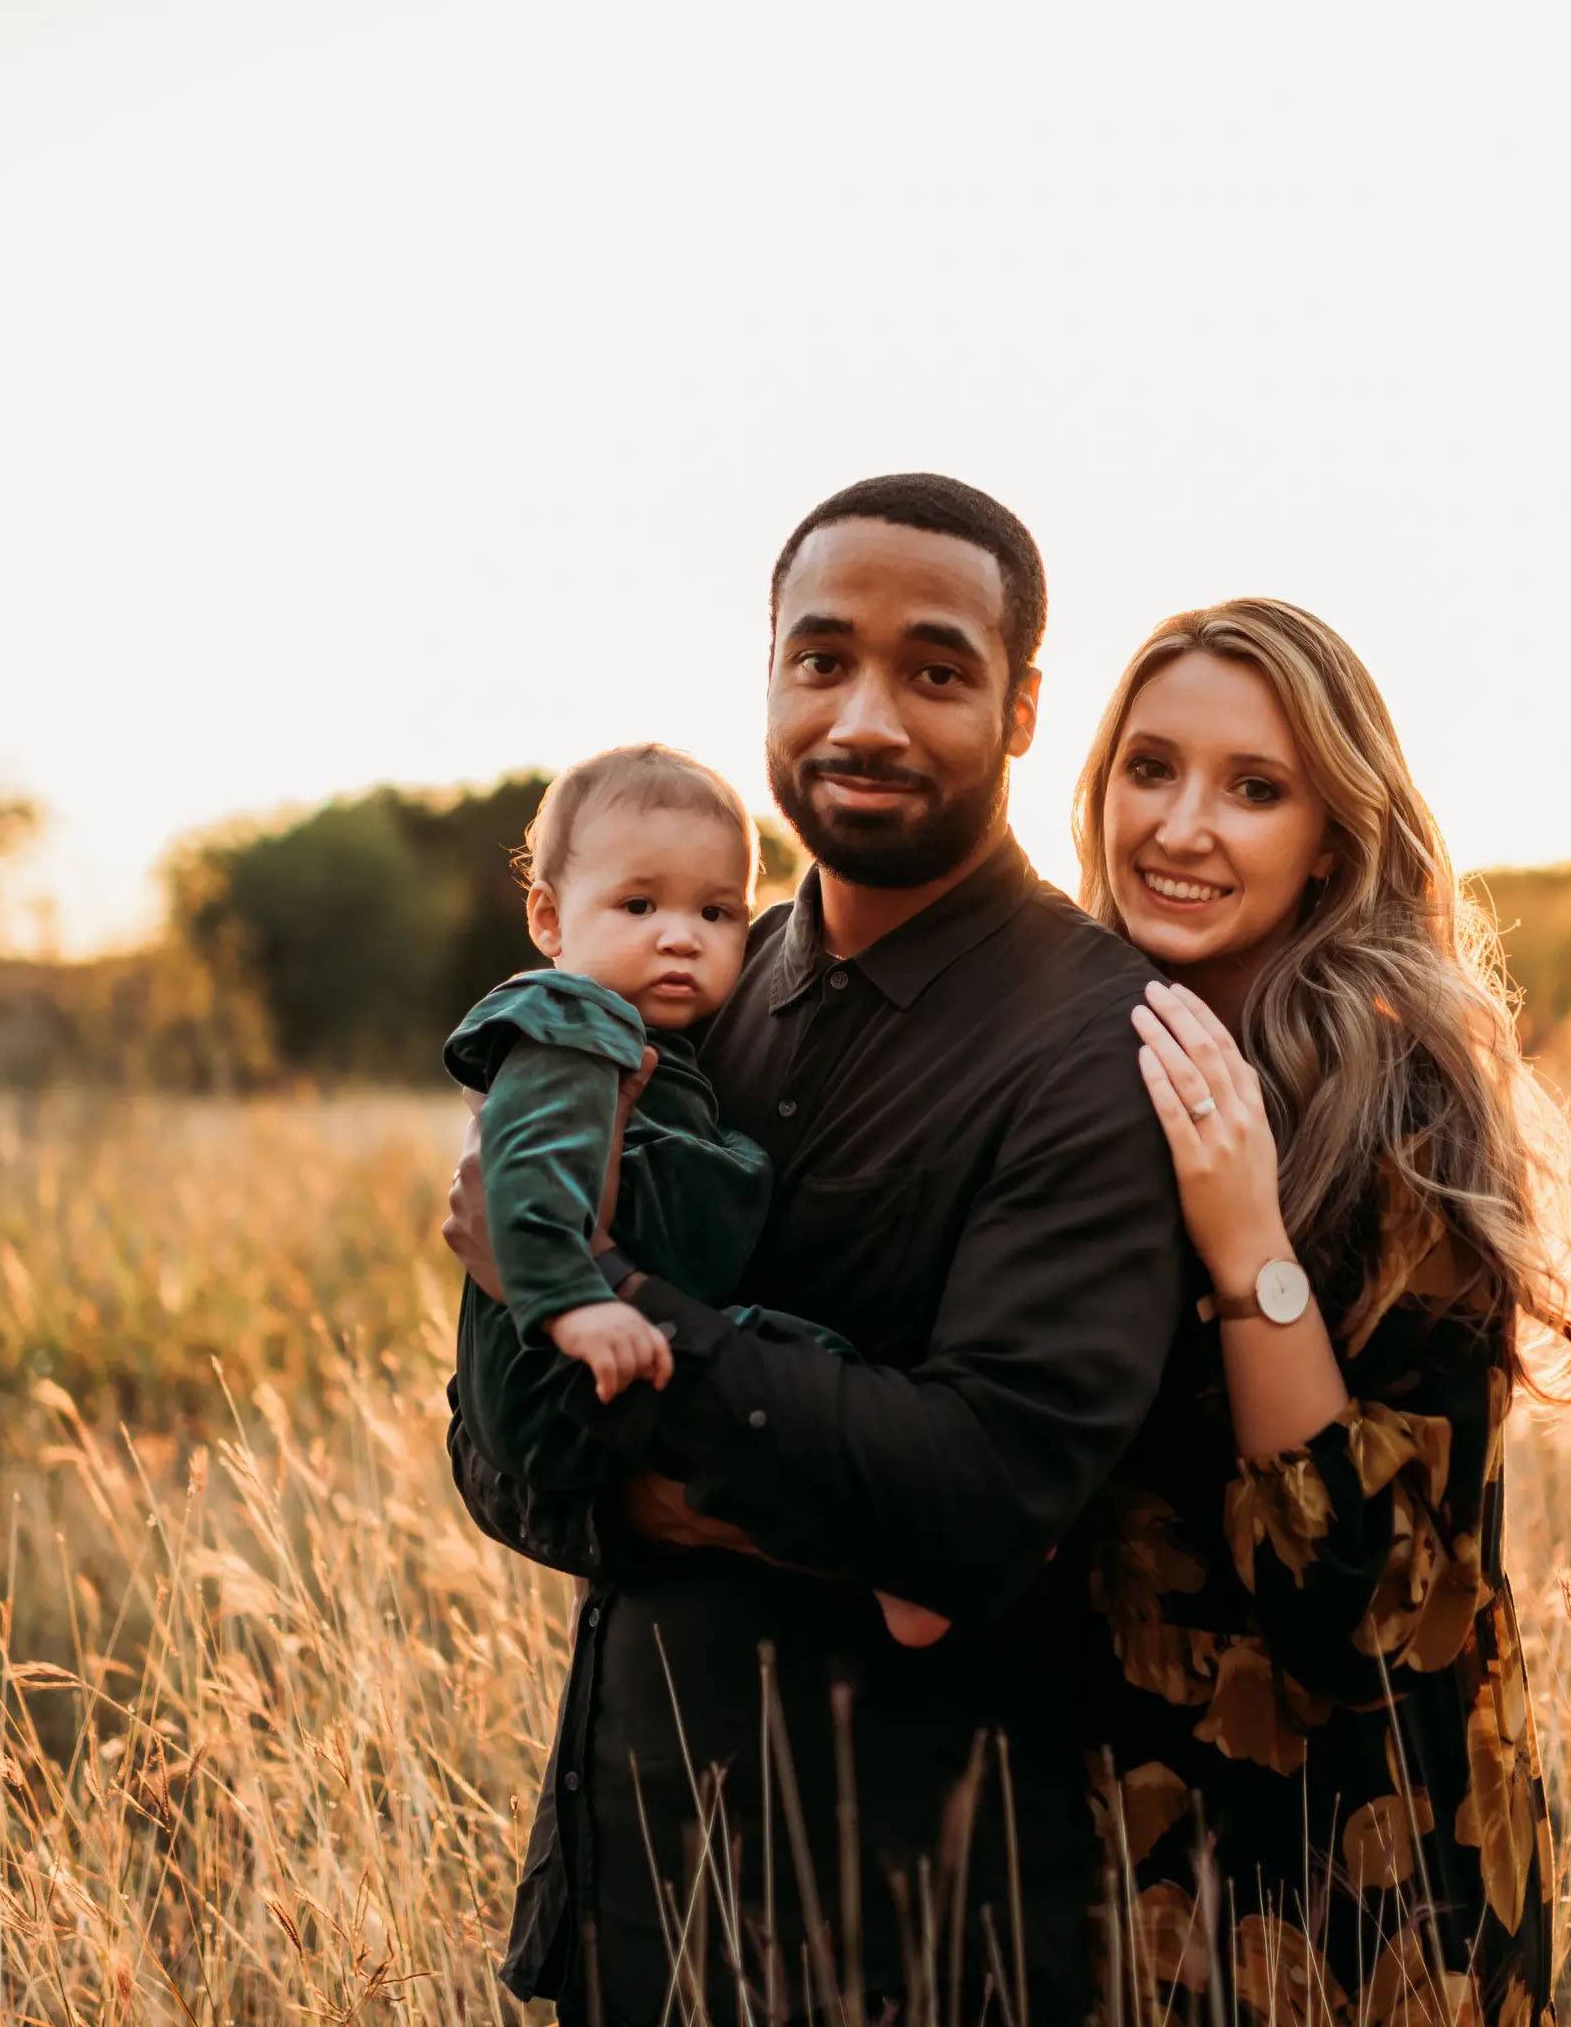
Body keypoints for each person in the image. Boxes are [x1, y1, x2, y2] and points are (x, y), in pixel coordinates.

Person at [441, 473, 1189, 2023]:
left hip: (917, 1929)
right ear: (771, 670)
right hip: (638, 1880)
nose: (867, 718)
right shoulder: (687, 991)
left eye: (934, 671)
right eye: (821, 659)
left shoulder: (1094, 1044)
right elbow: (493, 1446)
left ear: (1024, 709)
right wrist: (665, 1497)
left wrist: (621, 1327)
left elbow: (978, 1499)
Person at [1075, 599, 1571, 2024]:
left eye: (1254, 788)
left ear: (1333, 836)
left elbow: (1369, 1615)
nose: (1183, 825)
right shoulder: (1063, 1052)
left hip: (1367, 1877)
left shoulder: (1404, 1109)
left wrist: (1246, 1234)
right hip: (1116, 1864)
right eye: (1151, 769)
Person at [440, 739, 943, 1647]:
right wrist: (573, 1303)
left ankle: (885, 1552)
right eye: (639, 905)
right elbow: (525, 1171)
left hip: (595, 1359)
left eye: (716, 913)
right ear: (550, 921)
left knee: (774, 1380)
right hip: (559, 1368)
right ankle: (896, 1552)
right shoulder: (570, 1025)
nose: (681, 935)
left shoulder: (673, 1041)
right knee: (801, 1363)